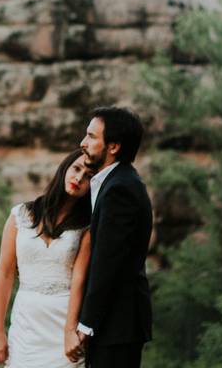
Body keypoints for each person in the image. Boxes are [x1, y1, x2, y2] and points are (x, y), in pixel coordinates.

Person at [0, 150, 97, 367]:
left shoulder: (87, 227)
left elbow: (79, 280)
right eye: (76, 169)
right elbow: (5, 273)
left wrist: (70, 331)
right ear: (64, 168)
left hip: (63, 321)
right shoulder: (20, 215)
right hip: (26, 323)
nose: (79, 179)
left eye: (88, 177)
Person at [71, 106, 153, 368]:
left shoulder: (121, 190)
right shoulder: (112, 182)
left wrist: (87, 323)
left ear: (114, 146)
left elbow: (108, 262)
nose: (83, 143)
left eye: (92, 136)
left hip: (117, 324)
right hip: (115, 324)